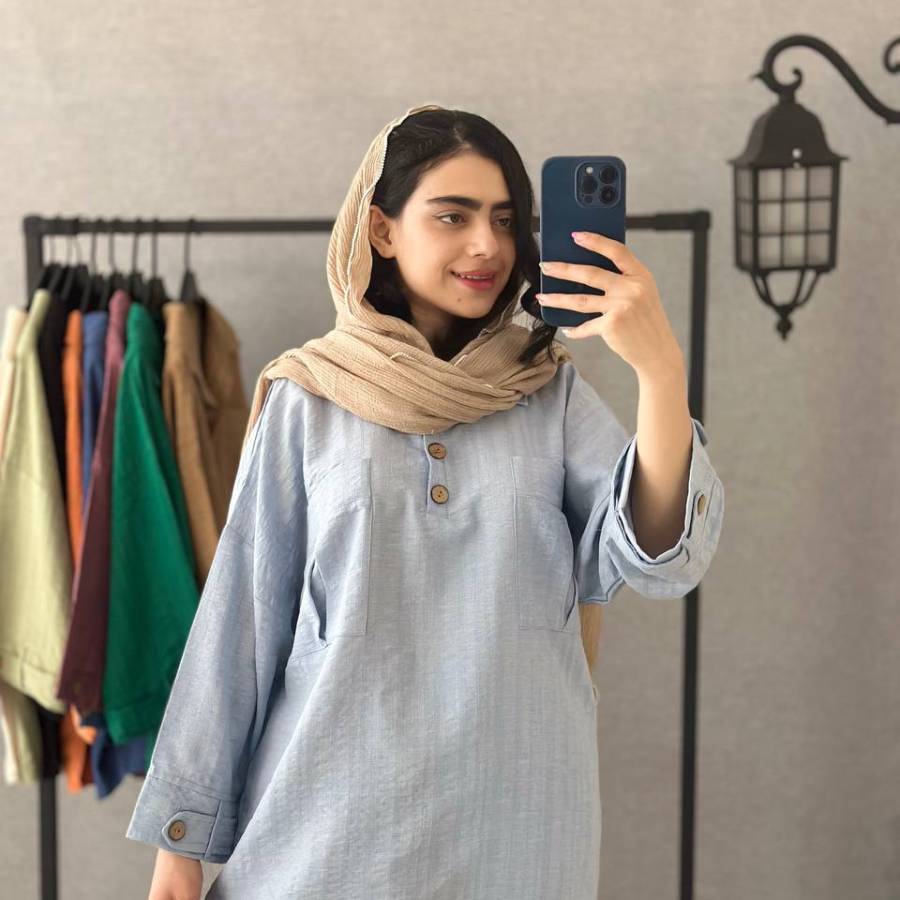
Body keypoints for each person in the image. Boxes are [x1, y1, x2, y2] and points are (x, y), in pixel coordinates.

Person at [128, 102, 724, 900]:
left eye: (506, 220)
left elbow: (660, 557)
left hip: (518, 835)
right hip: (327, 833)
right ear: (381, 229)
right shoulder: (309, 398)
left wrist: (660, 370)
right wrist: (179, 845)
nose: (488, 245)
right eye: (453, 216)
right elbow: (241, 621)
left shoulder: (547, 398)